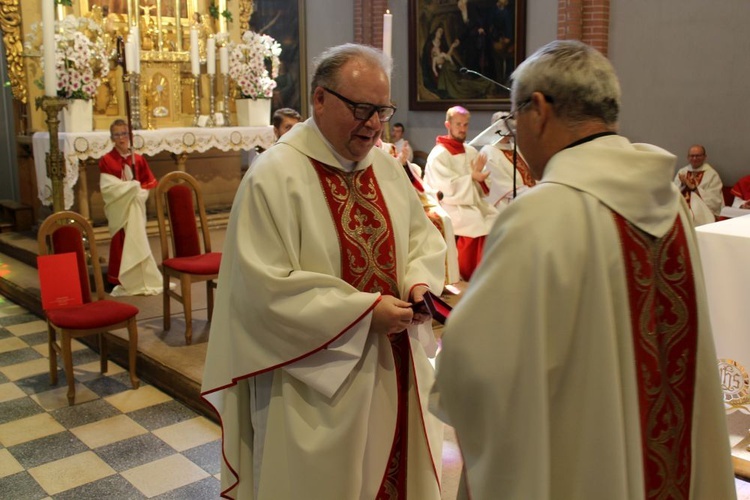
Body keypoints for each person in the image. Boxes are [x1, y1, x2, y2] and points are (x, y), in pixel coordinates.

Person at [432, 40, 736, 499]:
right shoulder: (669, 204)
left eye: (515, 121)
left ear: (538, 109)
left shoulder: (541, 213)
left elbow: (476, 368)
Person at [202, 43, 447, 500]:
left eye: (381, 109)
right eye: (360, 108)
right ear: (319, 99)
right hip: (314, 384)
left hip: (393, 365)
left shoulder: (388, 170)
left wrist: (418, 282)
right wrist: (361, 313)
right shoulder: (275, 177)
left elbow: (421, 238)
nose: (374, 123)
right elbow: (263, 290)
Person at [424, 105, 498, 281]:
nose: (463, 129)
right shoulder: (439, 155)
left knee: (495, 217)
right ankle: (469, 274)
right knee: (475, 223)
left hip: (471, 202)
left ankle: (491, 273)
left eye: (466, 125)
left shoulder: (471, 151)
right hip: (449, 205)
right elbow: (445, 187)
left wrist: (479, 179)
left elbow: (483, 184)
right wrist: (471, 177)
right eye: (458, 124)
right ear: (448, 125)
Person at [98, 119, 162, 296]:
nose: (121, 138)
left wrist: (137, 192)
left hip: (135, 207)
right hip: (120, 208)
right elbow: (109, 187)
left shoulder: (138, 160)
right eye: (117, 135)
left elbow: (146, 184)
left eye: (124, 134)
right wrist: (130, 189)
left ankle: (138, 276)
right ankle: (117, 278)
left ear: (130, 136)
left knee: (136, 239)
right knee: (120, 241)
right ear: (112, 138)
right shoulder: (107, 160)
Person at [480, 110, 536, 210]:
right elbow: (502, 185)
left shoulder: (515, 147)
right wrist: (531, 192)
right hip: (507, 203)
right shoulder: (488, 151)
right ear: (495, 129)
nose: (506, 134)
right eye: (503, 130)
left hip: (527, 195)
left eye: (508, 130)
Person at [673, 144, 724, 226]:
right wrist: (682, 185)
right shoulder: (682, 172)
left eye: (698, 156)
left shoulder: (712, 174)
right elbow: (673, 192)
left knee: (691, 217)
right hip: (682, 206)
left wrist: (693, 187)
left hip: (702, 210)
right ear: (688, 157)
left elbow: (714, 200)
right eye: (692, 156)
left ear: (705, 157)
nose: (694, 158)